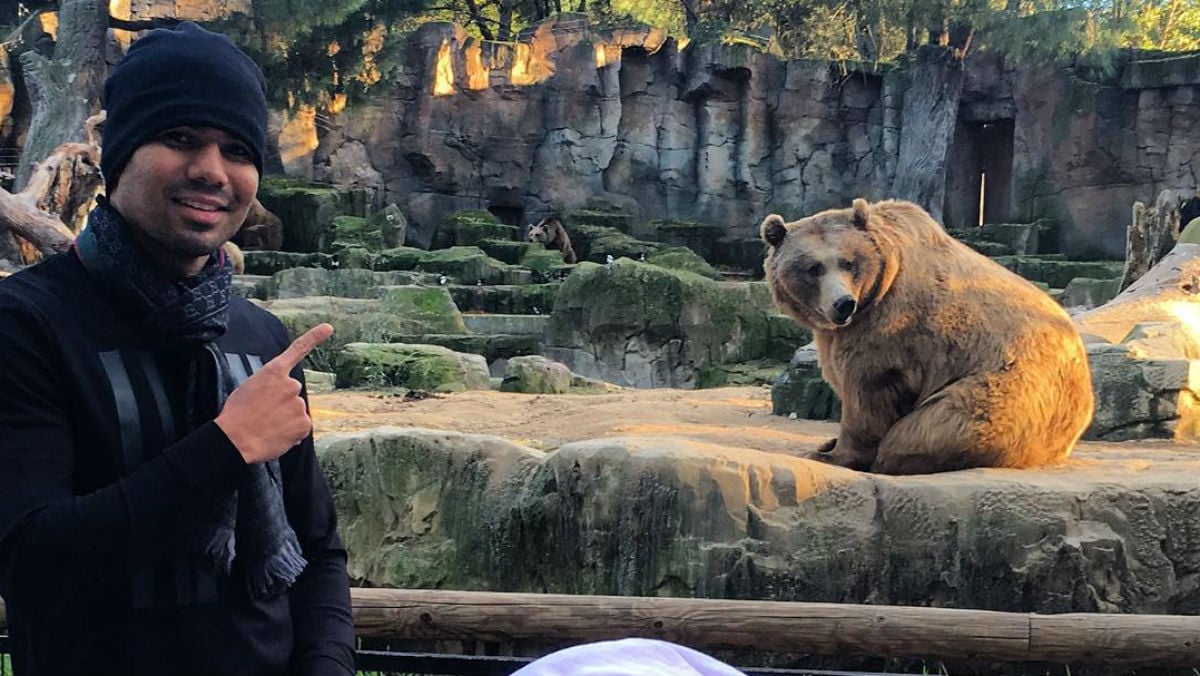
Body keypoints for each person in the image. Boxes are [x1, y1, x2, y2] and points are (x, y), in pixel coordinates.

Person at [0, 22, 355, 676]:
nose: (212, 171)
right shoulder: (25, 326)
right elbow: (30, 564)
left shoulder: (262, 339)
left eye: (237, 149)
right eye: (181, 138)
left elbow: (319, 554)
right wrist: (224, 448)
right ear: (120, 153)